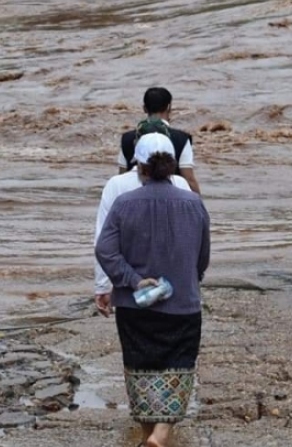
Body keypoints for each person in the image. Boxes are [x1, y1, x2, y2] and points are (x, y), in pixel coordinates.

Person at [95, 134, 210, 447]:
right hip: (183, 306)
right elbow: (203, 257)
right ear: (172, 166)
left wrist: (132, 280)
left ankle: (150, 436)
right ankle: (159, 435)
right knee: (179, 368)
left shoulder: (124, 203)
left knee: (141, 372)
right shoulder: (194, 204)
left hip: (136, 307)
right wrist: (187, 281)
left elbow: (104, 250)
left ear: (139, 167)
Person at [94, 133, 191, 317]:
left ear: (139, 164)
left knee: (136, 346)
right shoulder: (188, 196)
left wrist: (103, 286)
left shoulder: (118, 190)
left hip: (133, 298)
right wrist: (192, 280)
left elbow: (103, 246)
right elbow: (199, 245)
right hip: (180, 298)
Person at [118, 87, 201, 194]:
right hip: (171, 200)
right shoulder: (182, 138)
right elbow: (189, 179)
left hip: (134, 200)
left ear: (144, 108)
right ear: (169, 107)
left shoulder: (127, 138)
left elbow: (122, 175)